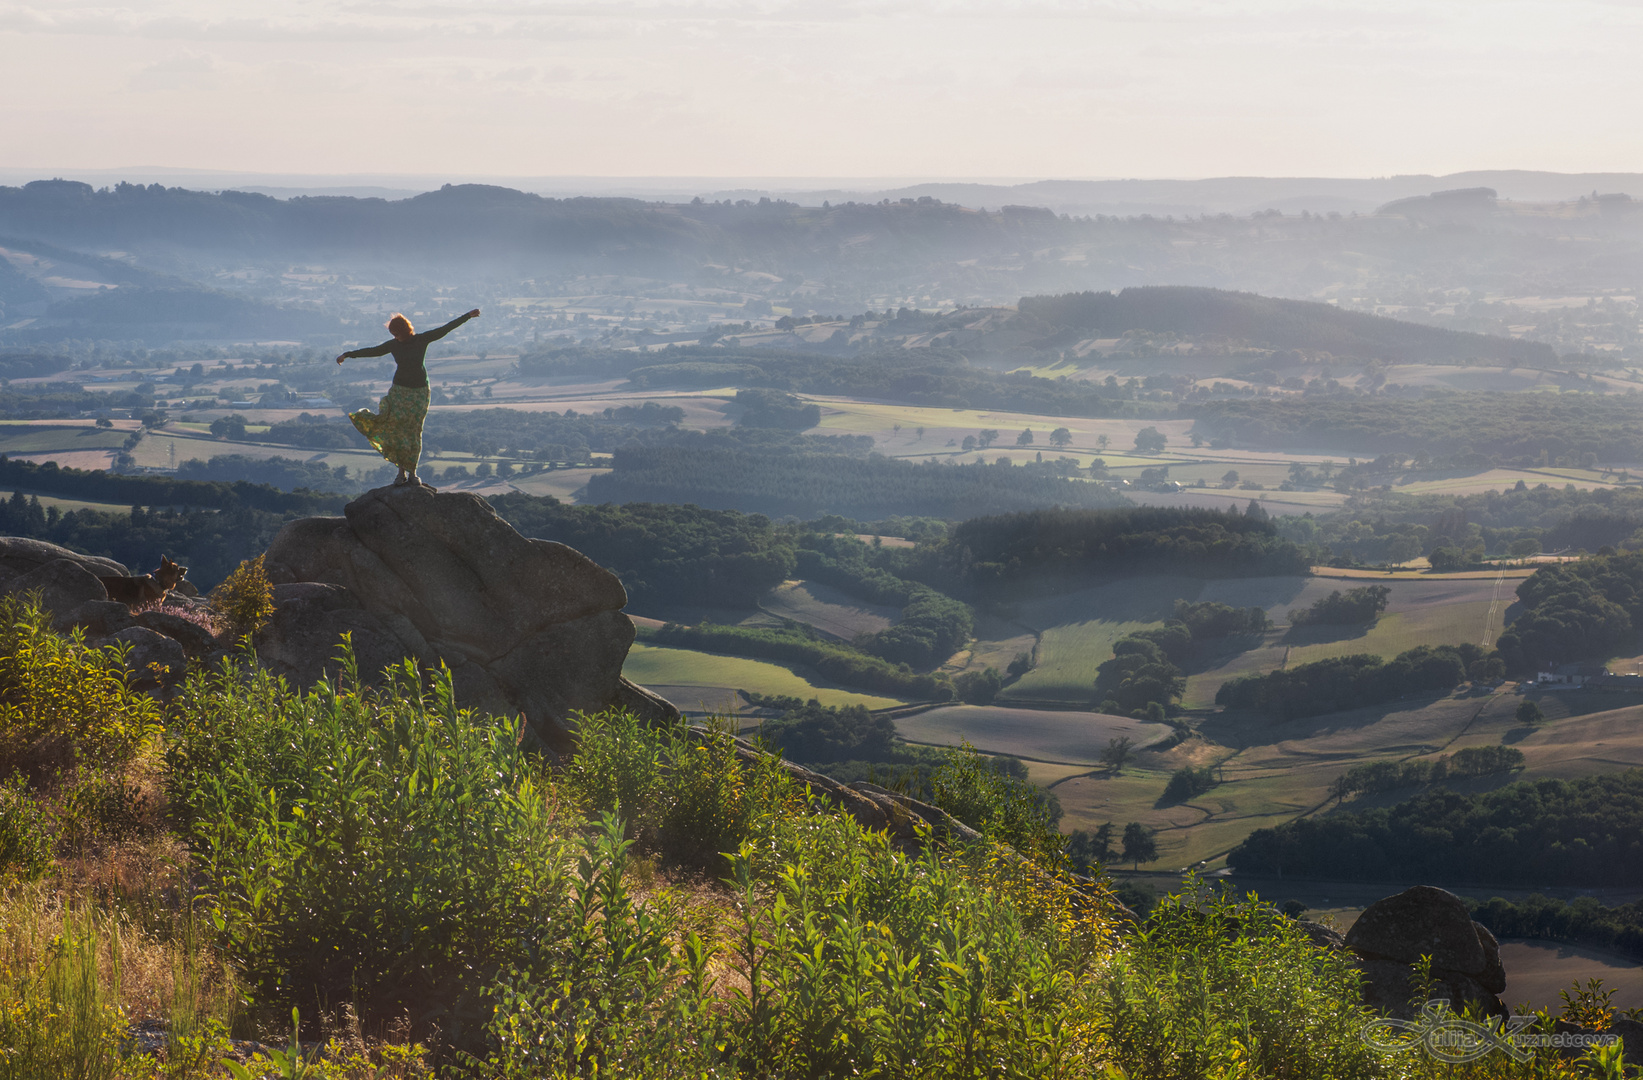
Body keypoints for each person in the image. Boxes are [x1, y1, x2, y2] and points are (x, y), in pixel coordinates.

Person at [336, 308, 480, 486]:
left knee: (414, 430)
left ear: (405, 330)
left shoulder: (421, 340)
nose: (395, 337)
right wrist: (348, 354)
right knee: (396, 428)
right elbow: (373, 351)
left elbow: (445, 328)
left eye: (396, 333)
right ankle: (401, 473)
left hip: (419, 392)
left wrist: (467, 316)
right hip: (399, 391)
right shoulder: (394, 344)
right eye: (392, 334)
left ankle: (412, 473)